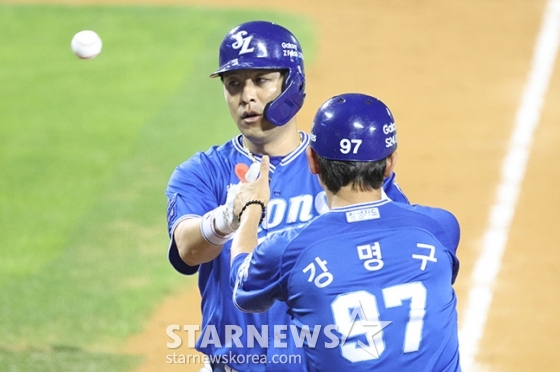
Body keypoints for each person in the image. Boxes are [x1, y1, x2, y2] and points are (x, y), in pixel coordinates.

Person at [165, 21, 409, 372]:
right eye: (234, 84)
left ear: (291, 83)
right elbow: (188, 251)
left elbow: (400, 241)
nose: (246, 96)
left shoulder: (341, 162)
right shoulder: (201, 172)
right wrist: (229, 217)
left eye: (261, 80)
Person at [230, 93, 461, 372]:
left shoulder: (286, 250)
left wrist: (251, 208)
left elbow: (241, 283)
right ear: (390, 163)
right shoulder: (440, 227)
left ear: (312, 161)